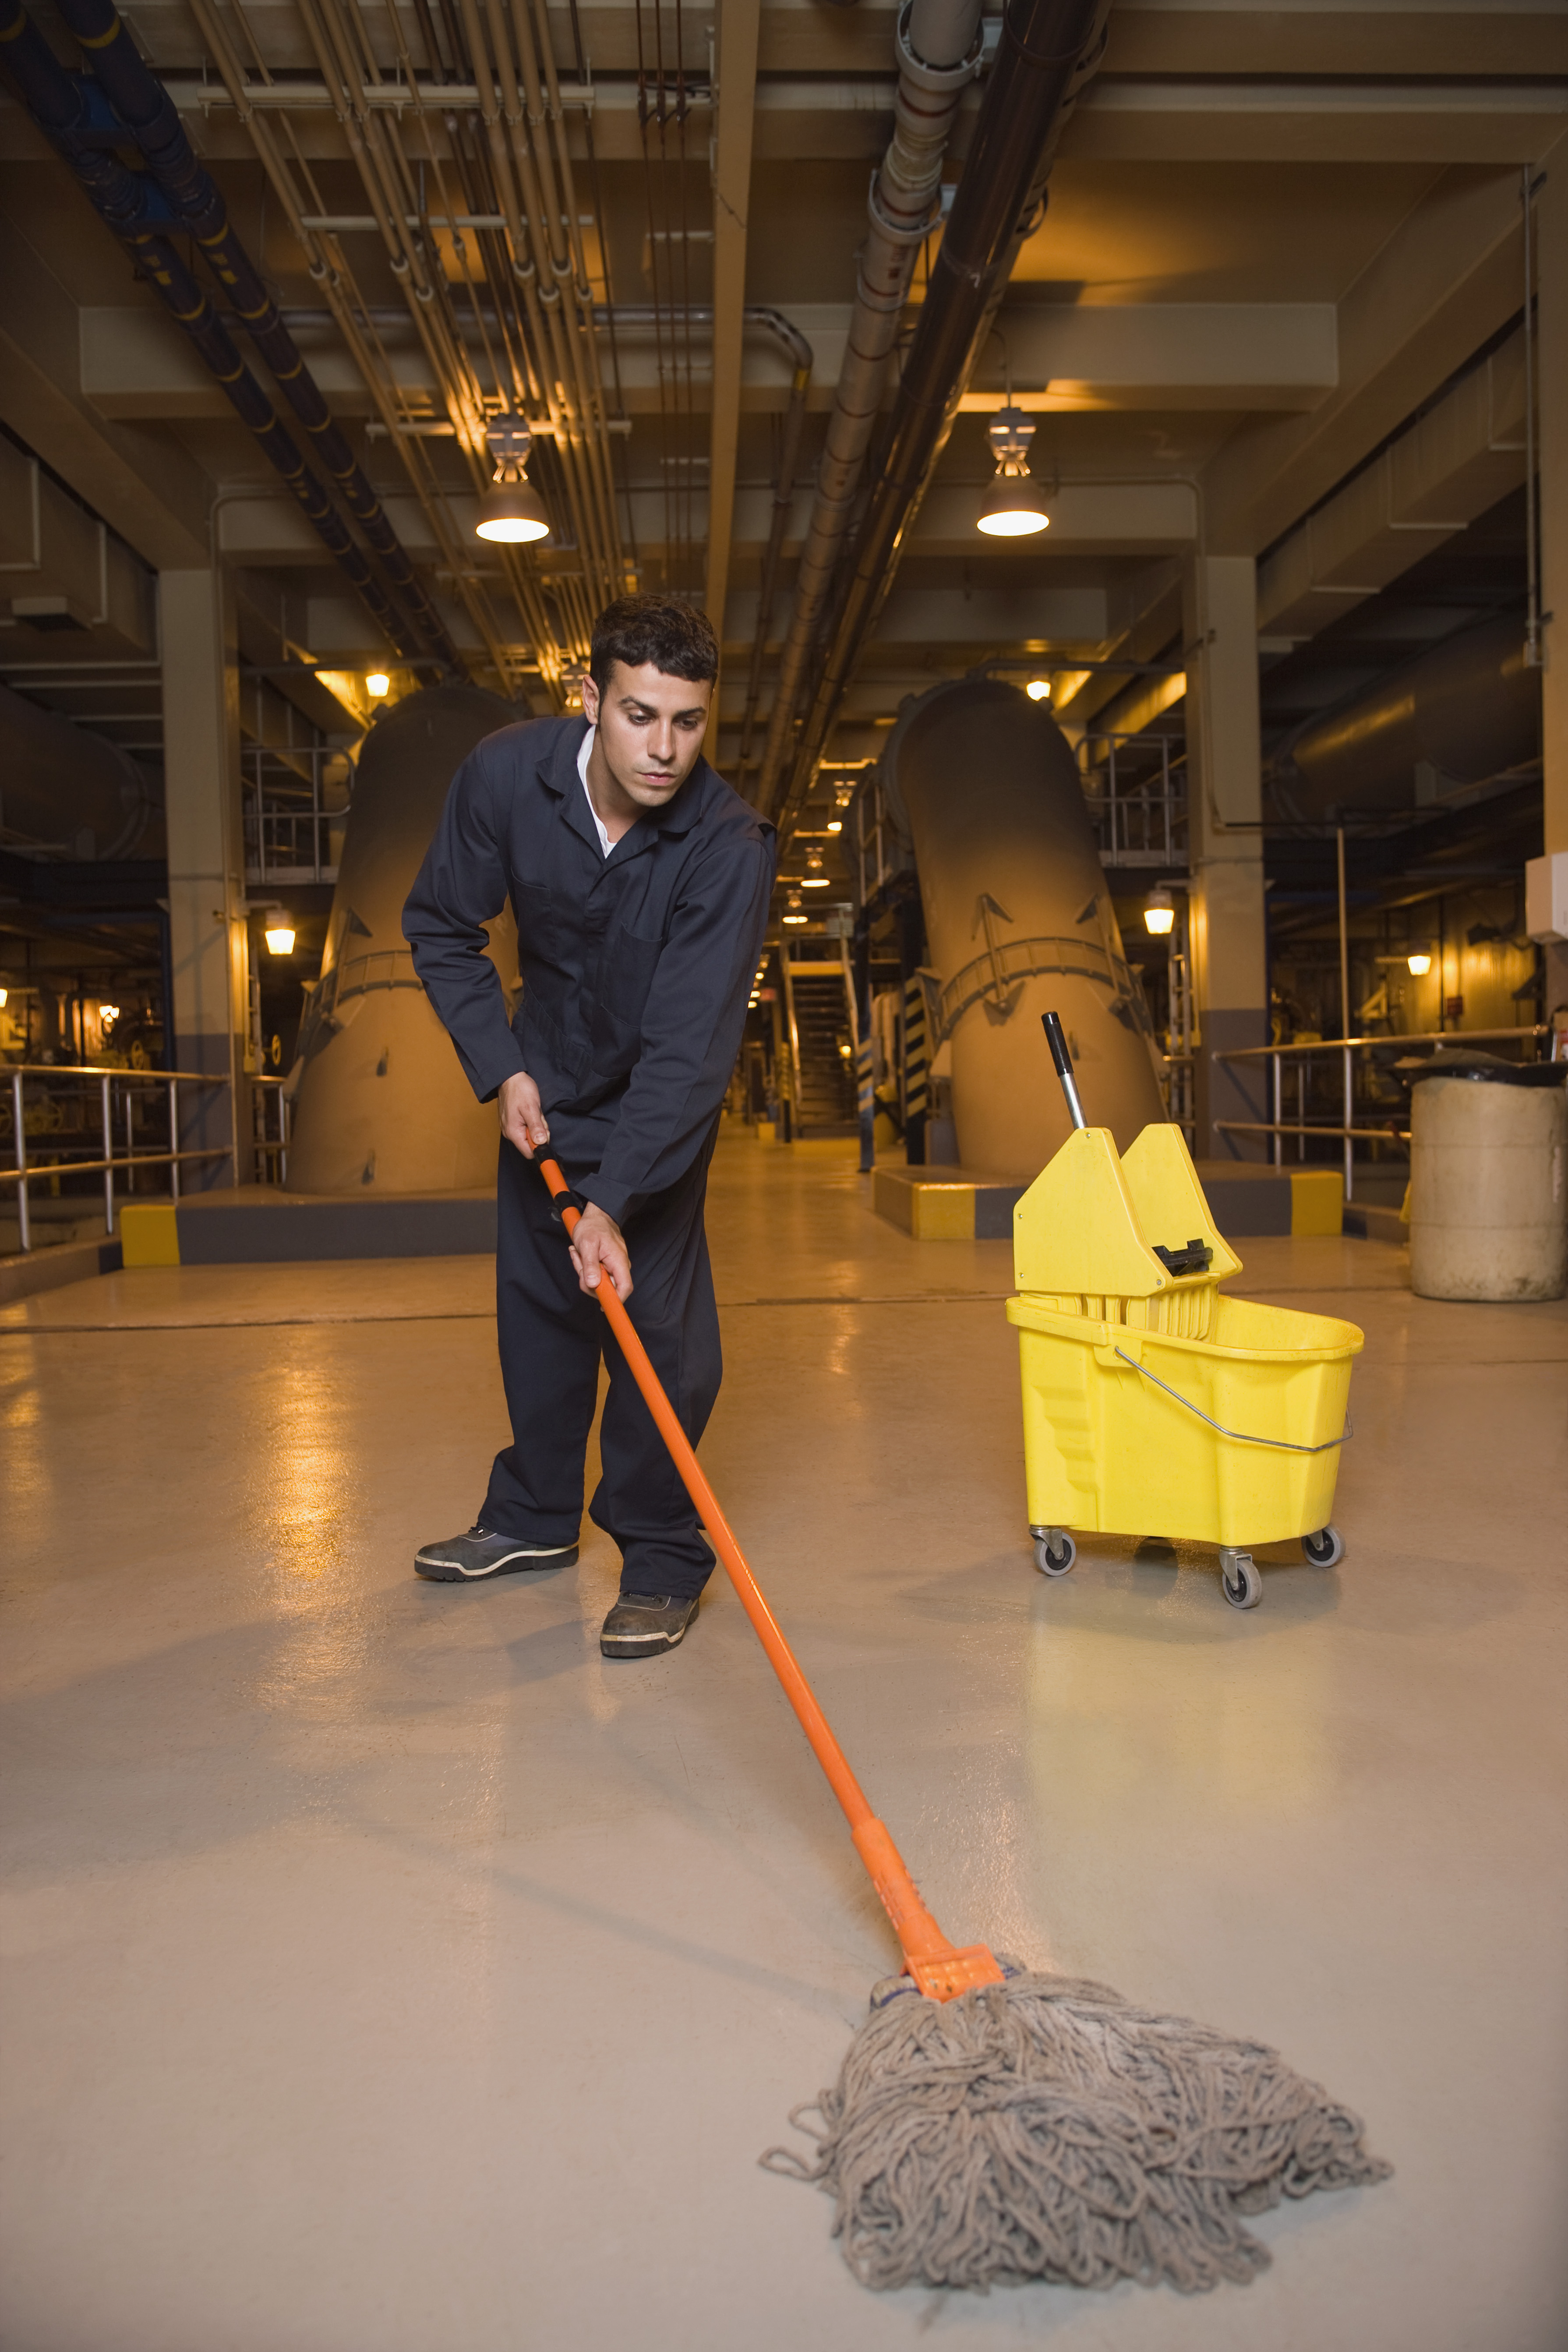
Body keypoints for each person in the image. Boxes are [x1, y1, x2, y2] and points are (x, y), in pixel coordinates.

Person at [403, 597, 775, 1656]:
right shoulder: (504, 777)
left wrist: (615, 1200)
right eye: (639, 715)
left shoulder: (725, 845)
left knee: (662, 1344)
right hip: (542, 1087)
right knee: (539, 1314)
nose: (664, 750)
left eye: (689, 723)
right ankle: (531, 1519)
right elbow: (440, 924)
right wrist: (500, 1068)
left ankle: (659, 1557)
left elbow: (690, 1049)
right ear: (590, 700)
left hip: (656, 1113)